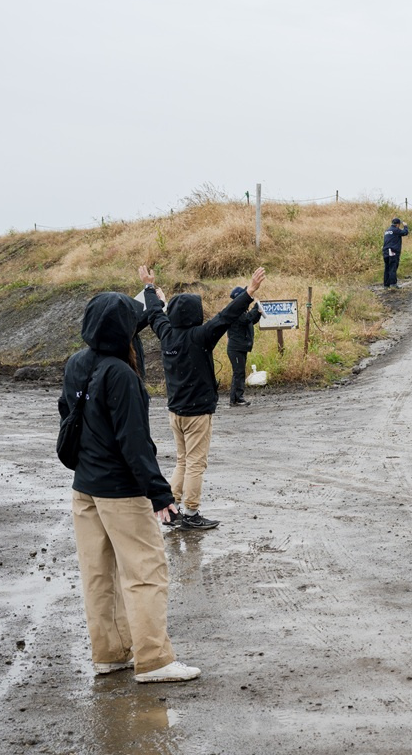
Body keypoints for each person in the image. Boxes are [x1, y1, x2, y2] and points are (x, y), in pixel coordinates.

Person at [59, 290, 200, 684]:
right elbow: (135, 442)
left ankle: (109, 654)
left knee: (98, 574)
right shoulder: (121, 373)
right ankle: (154, 660)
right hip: (120, 491)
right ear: (124, 330)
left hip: (84, 488)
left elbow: (66, 415)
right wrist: (159, 494)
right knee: (145, 572)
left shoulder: (76, 364)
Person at [141, 264, 266, 531]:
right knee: (196, 463)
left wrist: (150, 289)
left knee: (183, 461)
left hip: (175, 412)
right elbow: (225, 316)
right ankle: (191, 514)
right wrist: (249, 291)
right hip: (197, 414)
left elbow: (154, 314)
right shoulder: (201, 336)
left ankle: (172, 508)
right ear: (194, 315)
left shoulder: (166, 333)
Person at [226, 286, 263, 408]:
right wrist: (255, 309)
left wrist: (257, 313)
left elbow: (250, 321)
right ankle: (236, 399)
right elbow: (246, 320)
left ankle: (236, 398)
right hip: (236, 347)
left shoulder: (241, 311)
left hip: (240, 347)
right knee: (238, 373)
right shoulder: (235, 311)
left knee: (239, 372)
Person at [382, 217, 409, 288]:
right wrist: (405, 226)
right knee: (393, 267)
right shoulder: (395, 230)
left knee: (387, 268)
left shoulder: (387, 230)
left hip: (385, 251)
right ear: (398, 224)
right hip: (392, 251)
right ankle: (393, 284)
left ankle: (386, 285)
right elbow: (405, 233)